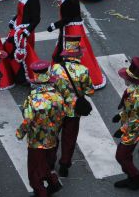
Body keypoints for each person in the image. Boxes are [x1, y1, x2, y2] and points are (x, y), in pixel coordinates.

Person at [47, 0, 105, 89]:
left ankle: (72, 78)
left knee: (73, 53)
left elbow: (67, 18)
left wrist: (54, 25)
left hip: (72, 30)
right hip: (71, 28)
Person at [16, 60, 66, 197]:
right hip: (52, 138)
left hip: (36, 141)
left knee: (33, 172)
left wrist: (20, 133)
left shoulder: (32, 99)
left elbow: (27, 120)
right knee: (44, 165)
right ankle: (53, 183)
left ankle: (40, 192)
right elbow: (62, 115)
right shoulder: (58, 97)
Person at [50, 36, 94, 177]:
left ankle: (50, 162)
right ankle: (64, 165)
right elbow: (90, 91)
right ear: (78, 54)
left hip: (57, 109)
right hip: (74, 111)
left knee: (53, 136)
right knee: (69, 138)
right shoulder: (83, 71)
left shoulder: (56, 68)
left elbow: (50, 87)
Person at [113, 56, 139, 190]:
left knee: (121, 156)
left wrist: (122, 129)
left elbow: (136, 119)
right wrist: (120, 115)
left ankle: (137, 178)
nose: (123, 79)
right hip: (130, 126)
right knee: (125, 155)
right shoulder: (132, 90)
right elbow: (129, 110)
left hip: (134, 130)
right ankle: (132, 177)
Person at [2, 0, 41, 84]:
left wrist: (26, 32)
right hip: (17, 30)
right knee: (9, 48)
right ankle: (15, 74)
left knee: (23, 56)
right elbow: (19, 13)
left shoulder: (33, 0)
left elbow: (36, 19)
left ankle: (24, 77)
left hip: (24, 32)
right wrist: (13, 19)